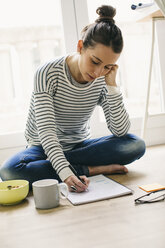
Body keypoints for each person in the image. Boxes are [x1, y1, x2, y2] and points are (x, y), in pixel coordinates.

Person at [0, 5, 146, 193]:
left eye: (108, 66)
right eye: (94, 61)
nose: (97, 72)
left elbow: (120, 130)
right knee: (10, 171)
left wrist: (112, 86)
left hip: (79, 146)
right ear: (80, 47)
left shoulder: (103, 78)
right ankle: (89, 170)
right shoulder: (48, 73)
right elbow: (46, 132)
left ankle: (55, 167)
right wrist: (66, 174)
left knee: (135, 145)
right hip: (42, 147)